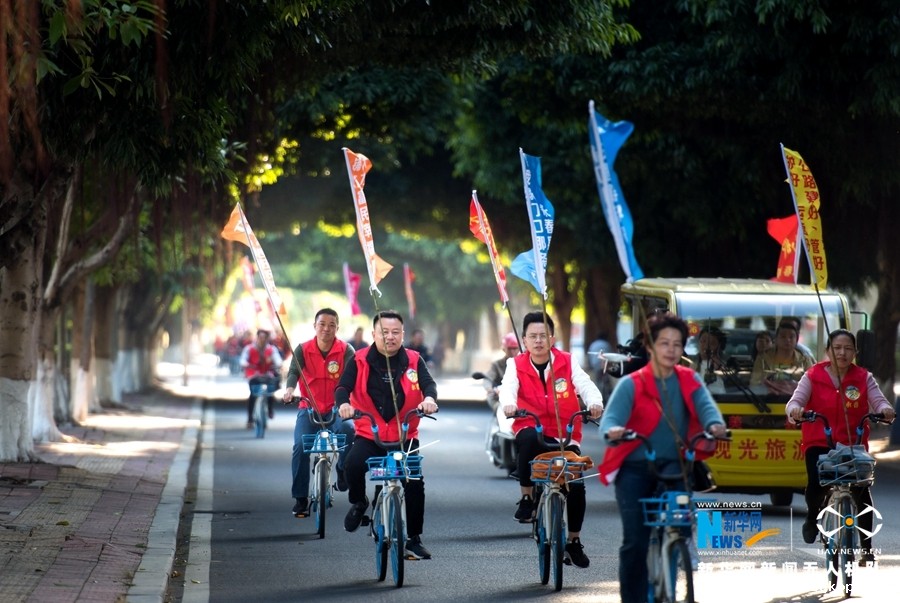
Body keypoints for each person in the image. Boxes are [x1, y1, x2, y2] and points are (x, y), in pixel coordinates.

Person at [599, 312, 727, 603]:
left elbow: (707, 409)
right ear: (650, 347)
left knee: (680, 526)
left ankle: (676, 557)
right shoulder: (632, 384)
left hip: (675, 466)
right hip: (634, 470)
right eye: (664, 343)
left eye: (677, 344)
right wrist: (615, 431)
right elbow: (609, 423)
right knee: (635, 542)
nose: (671, 350)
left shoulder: (689, 379)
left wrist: (715, 427)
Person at [498, 311, 603, 569]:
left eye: (543, 336)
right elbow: (508, 387)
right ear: (524, 340)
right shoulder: (516, 364)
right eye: (532, 336)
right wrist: (510, 404)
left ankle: (573, 541)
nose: (538, 341)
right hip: (530, 423)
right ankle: (526, 498)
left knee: (575, 484)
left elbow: (585, 385)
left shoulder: (567, 361)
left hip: (565, 430)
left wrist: (594, 402)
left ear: (552, 338)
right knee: (529, 438)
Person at [785, 329, 895, 563]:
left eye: (847, 348)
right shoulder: (812, 376)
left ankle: (866, 547)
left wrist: (885, 411)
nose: (842, 353)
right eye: (837, 348)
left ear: (855, 352)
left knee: (861, 490)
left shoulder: (864, 377)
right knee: (816, 483)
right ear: (827, 351)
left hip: (853, 446)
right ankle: (812, 515)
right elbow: (795, 401)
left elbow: (879, 401)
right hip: (819, 443)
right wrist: (795, 410)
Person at [337, 310, 439, 560]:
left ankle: (414, 538)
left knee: (414, 482)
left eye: (395, 332)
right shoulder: (359, 359)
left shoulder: (415, 360)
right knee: (352, 463)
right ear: (374, 334)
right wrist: (344, 404)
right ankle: (360, 503)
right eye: (384, 332)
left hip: (405, 435)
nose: (390, 337)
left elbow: (429, 385)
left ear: (403, 334)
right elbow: (343, 387)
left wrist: (429, 399)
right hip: (369, 434)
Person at [282, 308, 357, 518]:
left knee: (349, 431)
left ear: (337, 328)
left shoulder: (346, 350)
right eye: (322, 324)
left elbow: (353, 377)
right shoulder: (303, 349)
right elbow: (293, 372)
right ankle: (300, 498)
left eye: (331, 325)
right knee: (300, 447)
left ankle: (342, 468)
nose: (326, 329)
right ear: (315, 326)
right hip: (309, 407)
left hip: (337, 407)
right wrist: (289, 390)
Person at [750, 322, 813, 394]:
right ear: (776, 339)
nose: (787, 340)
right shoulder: (762, 359)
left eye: (791, 337)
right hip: (768, 402)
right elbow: (754, 385)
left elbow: (812, 386)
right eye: (783, 336)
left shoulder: (804, 360)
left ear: (796, 340)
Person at [240, 329, 283, 428]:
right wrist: (246, 364)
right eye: (260, 337)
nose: (262, 340)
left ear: (267, 339)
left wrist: (278, 364)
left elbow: (278, 360)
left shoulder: (272, 350)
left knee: (270, 392)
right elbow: (243, 360)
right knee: (253, 395)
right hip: (254, 375)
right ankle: (250, 418)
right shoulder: (249, 348)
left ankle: (270, 409)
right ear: (257, 337)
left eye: (264, 338)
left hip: (267, 375)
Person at [482, 332, 521, 408]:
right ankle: (498, 411)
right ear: (504, 349)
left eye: (515, 348)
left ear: (519, 348)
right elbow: (488, 378)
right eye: (509, 349)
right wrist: (489, 389)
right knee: (491, 396)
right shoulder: (497, 365)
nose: (512, 352)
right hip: (501, 395)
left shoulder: (524, 363)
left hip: (519, 396)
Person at [691, 327, 727, 393]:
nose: (706, 346)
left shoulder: (724, 365)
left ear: (719, 346)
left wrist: (719, 368)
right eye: (703, 341)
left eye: (712, 343)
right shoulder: (690, 363)